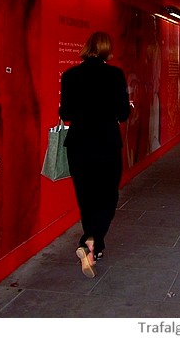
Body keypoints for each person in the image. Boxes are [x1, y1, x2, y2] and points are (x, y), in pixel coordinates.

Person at [59, 31, 132, 278]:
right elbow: (123, 114)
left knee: (87, 198)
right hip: (106, 143)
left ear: (86, 47)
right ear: (106, 50)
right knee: (108, 197)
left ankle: (93, 248)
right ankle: (90, 240)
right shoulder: (115, 75)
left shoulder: (70, 76)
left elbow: (65, 112)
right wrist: (125, 107)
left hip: (79, 145)